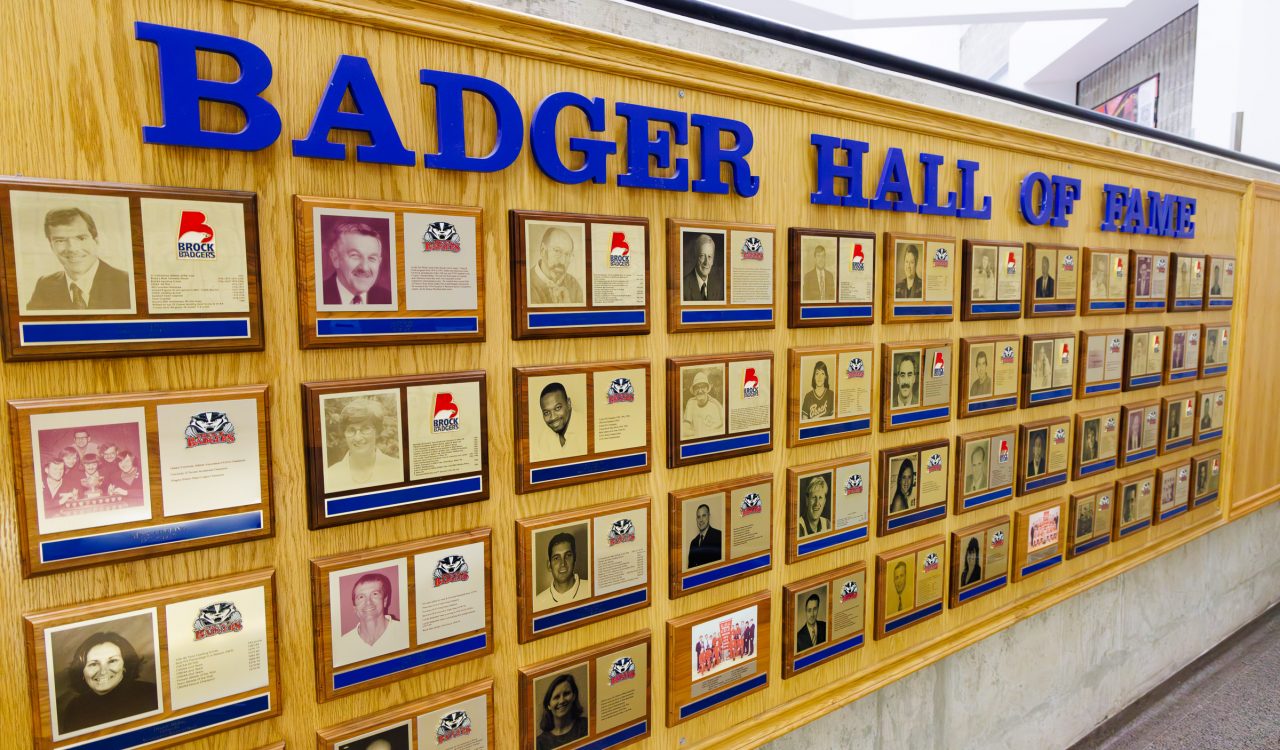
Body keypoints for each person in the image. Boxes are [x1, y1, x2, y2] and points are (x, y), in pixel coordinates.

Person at [26, 207, 132, 311]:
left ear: (96, 240)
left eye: (81, 238)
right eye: (60, 240)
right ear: (51, 246)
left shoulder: (127, 283)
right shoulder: (44, 285)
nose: (72, 248)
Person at [57, 631, 158, 735]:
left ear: (125, 666)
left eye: (112, 661)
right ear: (81, 671)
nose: (103, 671)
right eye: (93, 664)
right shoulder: (74, 708)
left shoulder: (150, 693)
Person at [325, 399, 401, 492]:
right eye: (351, 430)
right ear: (344, 433)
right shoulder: (331, 475)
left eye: (365, 429)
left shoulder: (397, 469)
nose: (358, 438)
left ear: (377, 431)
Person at [336, 572, 407, 657]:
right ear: (355, 608)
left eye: (375, 594)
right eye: (361, 597)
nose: (368, 602)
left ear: (384, 601)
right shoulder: (342, 645)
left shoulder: (405, 632)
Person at [321, 221, 392, 305]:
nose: (364, 267)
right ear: (335, 259)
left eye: (372, 258)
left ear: (379, 262)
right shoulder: (318, 296)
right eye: (355, 256)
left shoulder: (388, 298)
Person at [534, 532, 590, 610]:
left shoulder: (590, 587)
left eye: (567, 555)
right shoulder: (537, 602)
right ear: (549, 565)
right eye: (556, 558)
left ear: (575, 559)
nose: (563, 563)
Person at [528, 227, 584, 305]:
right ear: (543, 250)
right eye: (557, 251)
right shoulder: (526, 283)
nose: (563, 261)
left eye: (567, 254)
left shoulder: (574, 285)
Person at [536, 673, 589, 750]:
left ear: (574, 696)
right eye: (556, 697)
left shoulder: (586, 726)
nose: (562, 700)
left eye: (566, 694)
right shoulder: (539, 743)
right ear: (549, 705)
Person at [538, 382, 580, 452]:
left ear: (569, 403)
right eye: (546, 412)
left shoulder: (586, 428)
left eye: (557, 408)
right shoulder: (544, 439)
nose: (553, 417)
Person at [681, 371, 724, 439]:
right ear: (694, 391)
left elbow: (720, 431)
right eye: (697, 388)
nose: (700, 391)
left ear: (707, 389)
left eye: (703, 387)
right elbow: (685, 428)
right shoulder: (691, 403)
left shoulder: (715, 405)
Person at [682, 234, 724, 302]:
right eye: (702, 256)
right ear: (696, 256)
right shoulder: (683, 286)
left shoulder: (718, 286)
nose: (706, 262)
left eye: (709, 257)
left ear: (713, 260)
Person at [687, 503, 722, 568]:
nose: (701, 520)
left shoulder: (719, 536)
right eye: (698, 517)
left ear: (709, 516)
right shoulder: (693, 543)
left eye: (704, 515)